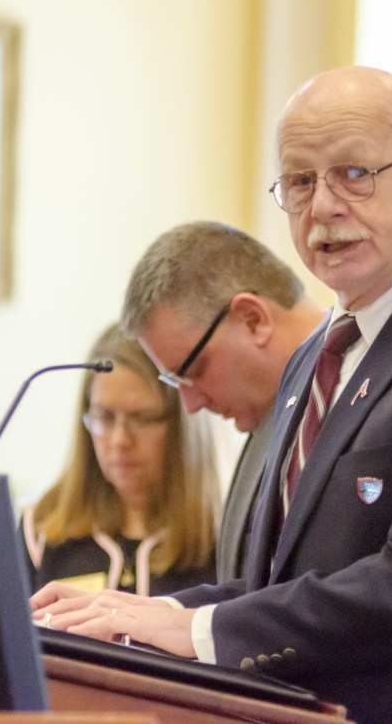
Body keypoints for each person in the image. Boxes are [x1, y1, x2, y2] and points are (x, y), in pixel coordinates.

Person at [30, 66, 392, 723]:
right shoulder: (318, 358)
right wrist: (159, 612)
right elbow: (287, 589)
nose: (323, 207)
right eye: (300, 182)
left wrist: (196, 632)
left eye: (355, 172)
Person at [119, 220, 325, 581]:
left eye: (194, 370)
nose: (191, 405)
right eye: (175, 382)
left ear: (252, 320)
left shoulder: (357, 391)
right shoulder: (272, 416)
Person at [20, 322, 221, 597]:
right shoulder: (41, 528)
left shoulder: (224, 536)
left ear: (182, 427)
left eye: (143, 418)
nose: (119, 441)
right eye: (105, 417)